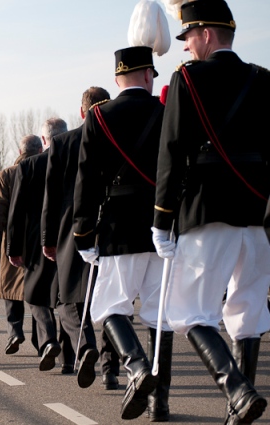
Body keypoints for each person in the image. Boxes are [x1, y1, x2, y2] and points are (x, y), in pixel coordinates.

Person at [152, 1, 270, 423]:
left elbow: (172, 151)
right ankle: (236, 415)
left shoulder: (188, 79)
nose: (185, 48)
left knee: (189, 312)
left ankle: (238, 392)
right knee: (248, 313)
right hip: (256, 212)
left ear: (205, 34)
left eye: (188, 38)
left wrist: (162, 218)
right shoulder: (262, 78)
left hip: (206, 210)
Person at [72, 46, 172, 421]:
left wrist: (84, 233)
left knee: (109, 307)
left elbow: (87, 182)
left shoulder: (99, 117)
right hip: (161, 227)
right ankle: (160, 403)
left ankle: (136, 367)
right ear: (149, 76)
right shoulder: (166, 113)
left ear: (117, 79)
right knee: (158, 318)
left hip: (117, 227)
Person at [41, 87, 117, 390]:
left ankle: (85, 346)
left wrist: (48, 238)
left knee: (68, 295)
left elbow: (52, 195)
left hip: (71, 224)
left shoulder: (62, 142)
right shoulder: (115, 134)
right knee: (112, 297)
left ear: (82, 111)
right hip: (111, 220)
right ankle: (110, 369)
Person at [8, 119, 73, 372]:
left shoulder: (30, 164)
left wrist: (13, 248)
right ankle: (69, 359)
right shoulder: (75, 161)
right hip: (69, 236)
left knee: (36, 295)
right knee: (67, 297)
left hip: (35, 239)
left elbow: (16, 210)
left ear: (44, 141)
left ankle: (47, 341)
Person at [0, 135, 42, 354]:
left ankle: (15, 332)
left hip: (13, 236)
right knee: (37, 290)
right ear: (39, 149)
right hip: (39, 237)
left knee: (10, 289)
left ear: (20, 150)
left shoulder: (7, 174)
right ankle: (41, 339)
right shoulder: (45, 169)